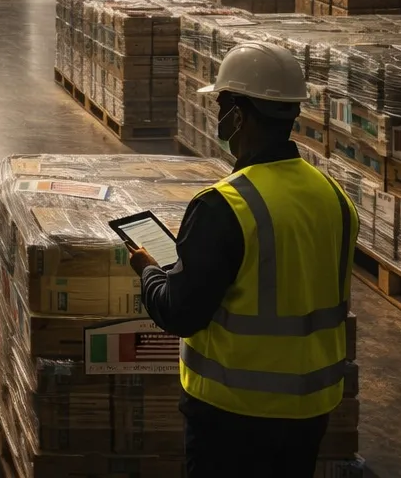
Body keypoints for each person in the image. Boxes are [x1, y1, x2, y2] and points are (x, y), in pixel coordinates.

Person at [128, 42, 357, 478]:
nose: (218, 116)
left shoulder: (224, 206)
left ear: (238, 114)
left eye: (221, 104)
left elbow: (180, 312)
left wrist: (149, 272)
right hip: (311, 408)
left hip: (233, 413)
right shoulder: (335, 197)